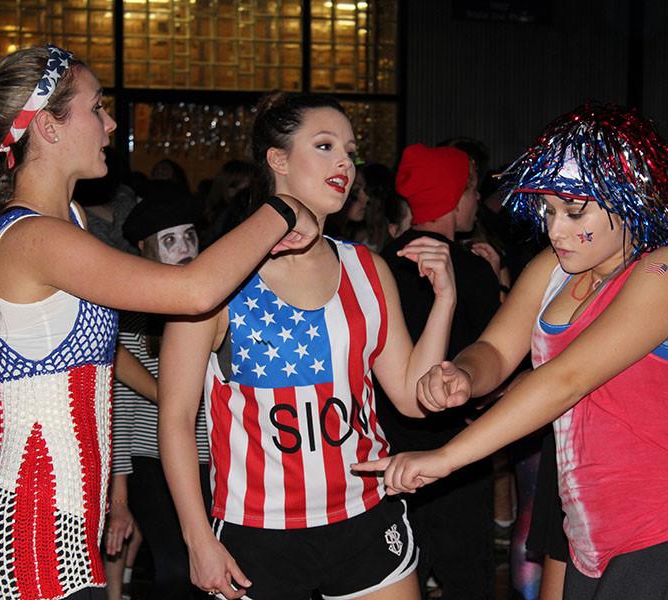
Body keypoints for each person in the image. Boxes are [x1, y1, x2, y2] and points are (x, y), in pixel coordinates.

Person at [0, 45, 317, 599]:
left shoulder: (64, 223)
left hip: (58, 529)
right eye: (97, 108)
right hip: (21, 537)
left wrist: (171, 398)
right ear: (47, 126)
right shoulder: (37, 239)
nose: (111, 124)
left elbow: (92, 351)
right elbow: (193, 291)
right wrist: (283, 207)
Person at [355, 103, 668, 599]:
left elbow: (567, 378)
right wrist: (464, 377)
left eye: (574, 211)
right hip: (591, 533)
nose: (555, 229)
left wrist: (448, 457)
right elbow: (496, 348)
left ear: (628, 200)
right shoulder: (554, 268)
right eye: (548, 210)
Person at [157, 92, 456, 600]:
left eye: (350, 150)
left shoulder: (369, 268)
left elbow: (411, 395)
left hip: (365, 514)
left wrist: (444, 299)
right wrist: (197, 539)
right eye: (324, 145)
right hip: (258, 532)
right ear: (278, 160)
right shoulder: (216, 278)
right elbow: (176, 418)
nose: (345, 161)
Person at [378, 143, 500, 599]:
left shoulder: (375, 265)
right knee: (468, 581)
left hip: (386, 455)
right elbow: (497, 362)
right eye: (472, 192)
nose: (475, 202)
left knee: (394, 578)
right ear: (455, 197)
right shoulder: (471, 270)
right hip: (457, 454)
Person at [109, 184, 215, 600]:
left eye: (190, 236)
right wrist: (119, 494)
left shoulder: (213, 301)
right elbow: (116, 407)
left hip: (211, 454)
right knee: (174, 566)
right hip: (150, 456)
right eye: (169, 240)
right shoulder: (134, 312)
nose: (184, 247)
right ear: (145, 248)